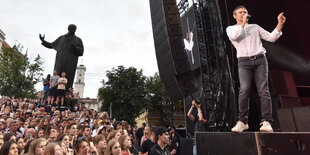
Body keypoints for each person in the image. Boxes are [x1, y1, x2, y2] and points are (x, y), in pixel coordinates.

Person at [226, 5, 286, 132]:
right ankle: (242, 121)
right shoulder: (230, 29)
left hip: (260, 60)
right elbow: (235, 36)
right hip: (243, 62)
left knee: (263, 90)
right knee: (244, 89)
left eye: (245, 12)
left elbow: (271, 37)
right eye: (240, 12)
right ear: (234, 16)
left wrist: (279, 24)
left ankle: (266, 121)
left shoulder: (255, 27)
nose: (243, 14)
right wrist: (242, 24)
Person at [39, 24, 84, 90]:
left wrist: (75, 48)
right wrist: (43, 41)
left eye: (73, 29)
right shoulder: (62, 38)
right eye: (71, 28)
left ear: (75, 30)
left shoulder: (78, 40)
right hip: (60, 61)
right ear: (68, 29)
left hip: (71, 62)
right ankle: (54, 91)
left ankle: (67, 92)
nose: (72, 30)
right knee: (57, 76)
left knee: (69, 78)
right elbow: (52, 45)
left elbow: (81, 51)